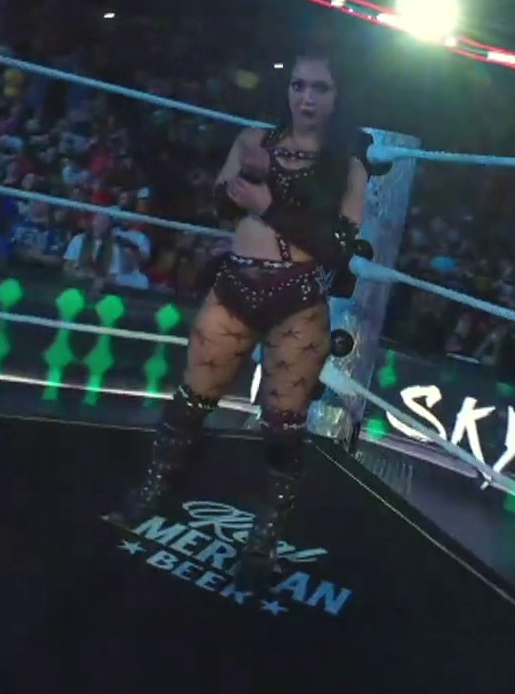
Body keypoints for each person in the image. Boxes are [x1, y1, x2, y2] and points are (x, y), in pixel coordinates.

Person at [108, 41, 372, 591]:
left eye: (319, 87)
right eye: (298, 85)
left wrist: (266, 198)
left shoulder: (347, 168)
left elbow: (335, 249)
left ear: (337, 96)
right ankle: (154, 491)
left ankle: (265, 537)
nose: (306, 97)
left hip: (298, 298)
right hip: (235, 284)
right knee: (190, 402)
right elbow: (220, 206)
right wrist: (245, 181)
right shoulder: (253, 140)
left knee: (283, 427)